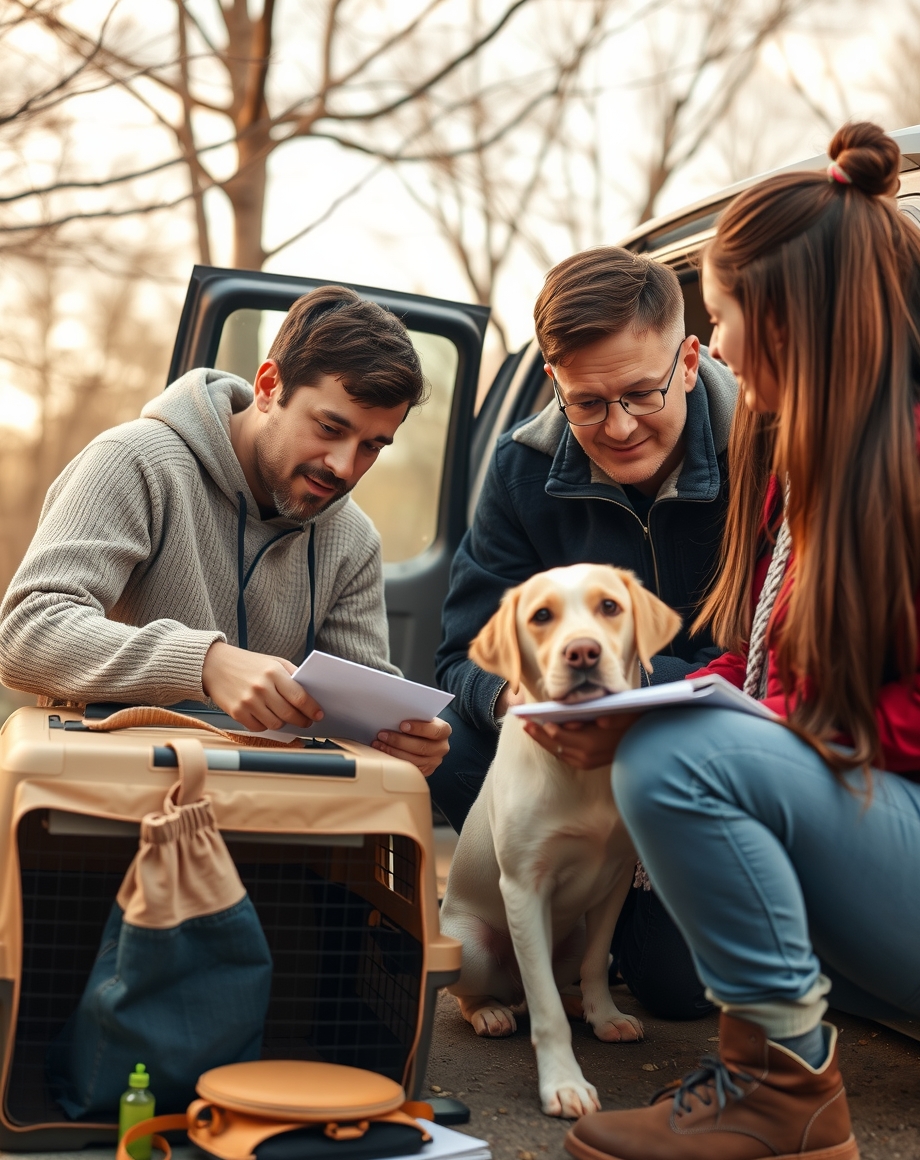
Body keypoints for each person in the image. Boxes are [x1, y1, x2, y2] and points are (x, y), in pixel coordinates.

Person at [566, 122, 920, 1160]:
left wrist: (755, 728)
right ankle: (768, 1073)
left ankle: (779, 1098)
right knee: (664, 737)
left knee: (678, 757)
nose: (714, 348)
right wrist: (653, 699)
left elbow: (829, 710)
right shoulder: (802, 465)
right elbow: (768, 666)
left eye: (720, 317)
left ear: (789, 319)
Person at [433, 246, 739, 1021]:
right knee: (447, 736)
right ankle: (553, 899)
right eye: (588, 402)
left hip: (701, 748)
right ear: (553, 381)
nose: (620, 425)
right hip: (556, 762)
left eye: (641, 393)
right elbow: (460, 655)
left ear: (690, 360)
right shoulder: (521, 471)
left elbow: (766, 659)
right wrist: (519, 698)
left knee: (675, 991)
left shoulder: (766, 451)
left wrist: (630, 696)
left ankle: (624, 916)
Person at [0, 285, 450, 777]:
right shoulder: (135, 462)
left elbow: (360, 709)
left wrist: (402, 739)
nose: (344, 466)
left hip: (272, 800)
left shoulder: (353, 539)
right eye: (329, 428)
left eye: (372, 447)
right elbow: (24, 634)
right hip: (116, 786)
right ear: (268, 386)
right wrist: (206, 663)